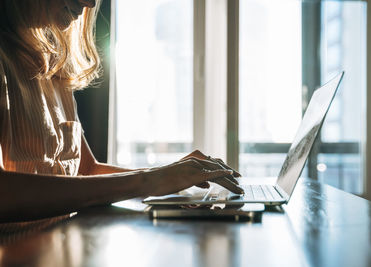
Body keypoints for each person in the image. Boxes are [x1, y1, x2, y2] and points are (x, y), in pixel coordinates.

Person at [0, 0, 243, 223]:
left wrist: (170, 176)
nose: (90, 3)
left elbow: (86, 170)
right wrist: (148, 181)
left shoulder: (55, 70)